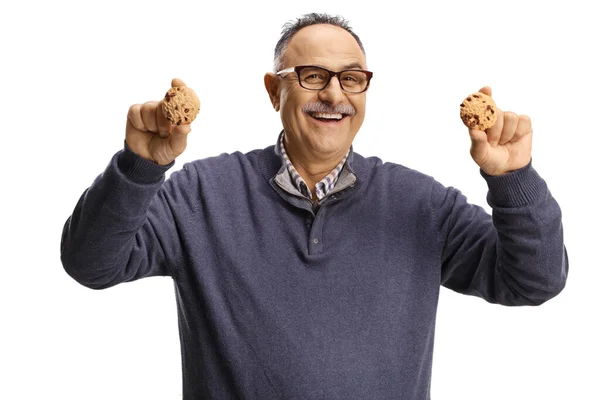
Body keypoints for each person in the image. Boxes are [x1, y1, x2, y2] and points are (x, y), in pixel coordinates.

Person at [60, 12, 568, 400]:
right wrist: (139, 167)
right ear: (273, 89)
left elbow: (534, 280)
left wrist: (512, 179)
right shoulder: (200, 194)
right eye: (311, 76)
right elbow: (91, 263)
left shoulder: (422, 205)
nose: (334, 94)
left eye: (351, 78)